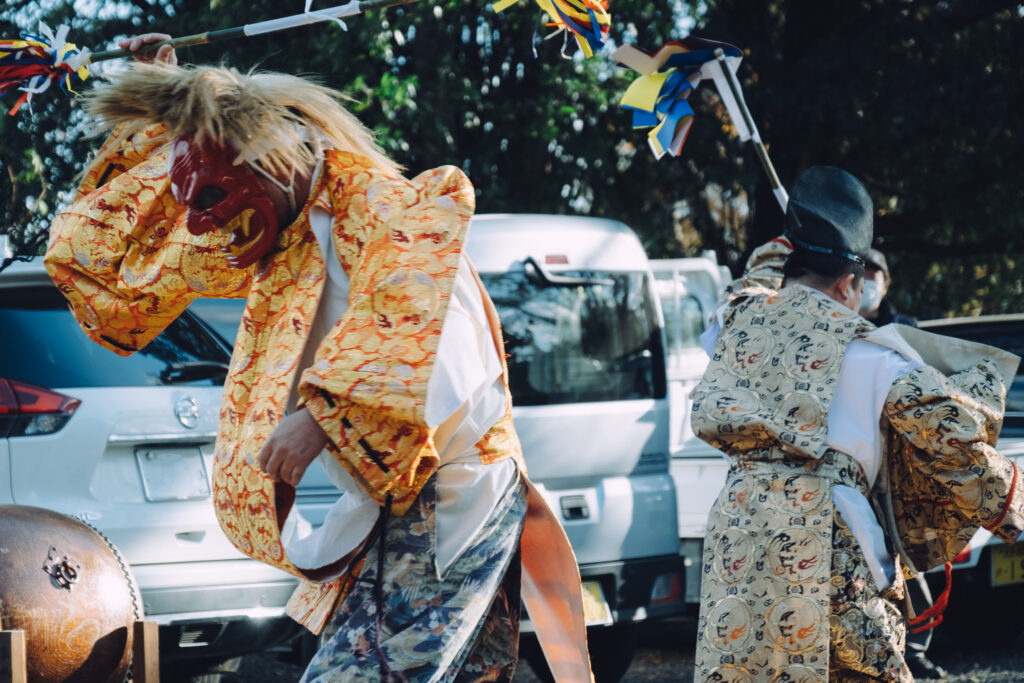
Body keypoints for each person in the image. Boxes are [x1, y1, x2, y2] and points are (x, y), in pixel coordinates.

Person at [45, 35, 591, 682]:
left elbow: (423, 319)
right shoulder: (280, 230)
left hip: (449, 494)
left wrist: (324, 413)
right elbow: (116, 260)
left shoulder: (387, 211)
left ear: (272, 163)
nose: (197, 226)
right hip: (394, 502)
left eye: (212, 200)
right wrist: (165, 101)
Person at [690, 166, 1024, 682]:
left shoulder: (737, 323)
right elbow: (956, 444)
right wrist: (1013, 511)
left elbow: (746, 289)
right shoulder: (873, 354)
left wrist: (780, 250)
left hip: (739, 531)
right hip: (826, 534)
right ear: (849, 284)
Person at [859, 248, 945, 679]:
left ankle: (916, 647)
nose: (869, 282)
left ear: (887, 282)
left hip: (897, 468)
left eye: (877, 274)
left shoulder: (904, 329)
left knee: (908, 560)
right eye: (863, 273)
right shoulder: (841, 327)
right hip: (857, 463)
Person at [859, 248, 917, 327]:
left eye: (873, 277)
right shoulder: (837, 324)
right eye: (861, 275)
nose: (865, 282)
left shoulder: (903, 326)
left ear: (886, 285)